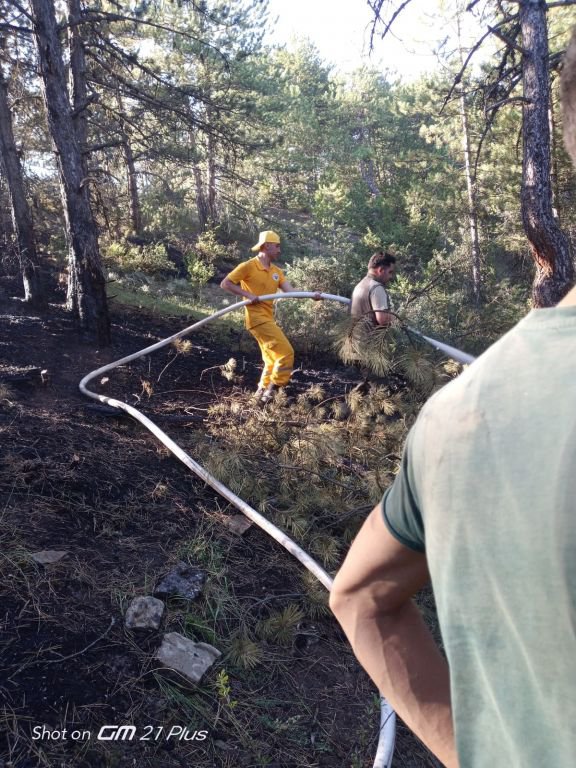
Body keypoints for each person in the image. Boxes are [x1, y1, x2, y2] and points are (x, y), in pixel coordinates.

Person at [329, 36, 576, 768]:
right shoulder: (375, 291)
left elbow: (360, 598)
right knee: (371, 376)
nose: (384, 269)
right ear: (378, 266)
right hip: (365, 345)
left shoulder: (455, 415)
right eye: (385, 265)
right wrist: (391, 322)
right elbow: (373, 321)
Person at [221, 230, 319, 404]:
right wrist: (247, 294)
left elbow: (292, 293)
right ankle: (272, 392)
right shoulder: (248, 266)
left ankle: (258, 397)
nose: (279, 250)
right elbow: (225, 283)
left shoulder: (276, 271)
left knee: (272, 359)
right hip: (256, 319)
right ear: (266, 246)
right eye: (277, 246)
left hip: (268, 318)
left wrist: (312, 294)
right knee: (286, 353)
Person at [350, 251, 396, 328]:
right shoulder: (376, 288)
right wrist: (398, 317)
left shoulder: (359, 285)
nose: (391, 277)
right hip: (369, 339)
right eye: (390, 272)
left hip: (354, 338)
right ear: (381, 270)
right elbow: (383, 319)